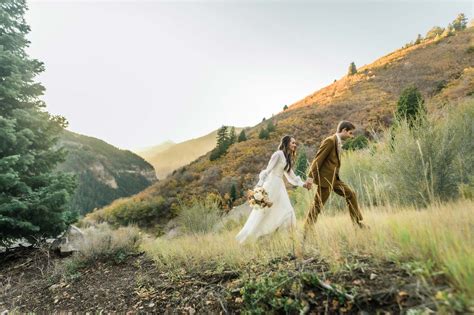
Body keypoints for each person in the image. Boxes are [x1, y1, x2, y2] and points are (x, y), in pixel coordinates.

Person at [236, 135, 312, 244]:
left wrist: (303, 184)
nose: (295, 145)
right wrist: (259, 185)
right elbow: (268, 170)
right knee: (264, 213)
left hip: (280, 187)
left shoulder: (287, 158)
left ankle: (288, 240)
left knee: (288, 211)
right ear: (286, 143)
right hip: (271, 185)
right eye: (293, 143)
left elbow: (292, 177)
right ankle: (249, 240)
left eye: (295, 143)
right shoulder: (278, 154)